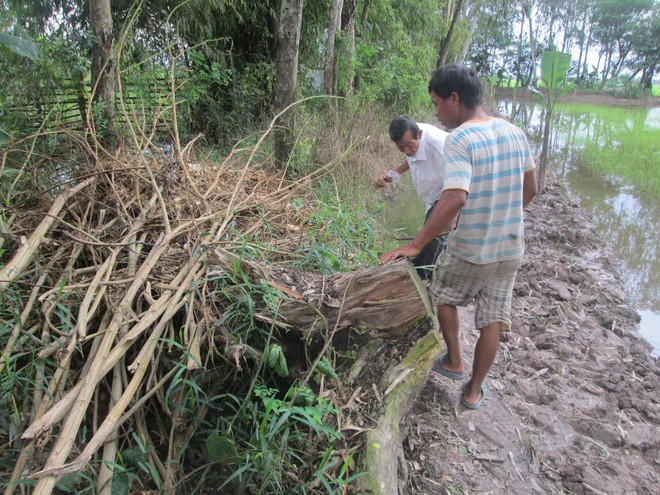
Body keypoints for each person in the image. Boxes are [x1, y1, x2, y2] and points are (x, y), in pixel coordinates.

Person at [379, 65, 538, 409]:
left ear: (454, 99)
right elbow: (531, 188)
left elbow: (454, 198)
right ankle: (473, 392)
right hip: (510, 246)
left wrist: (416, 243)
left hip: (472, 247)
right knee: (493, 318)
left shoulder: (460, 139)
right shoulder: (515, 132)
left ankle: (454, 361)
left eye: (436, 104)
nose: (435, 111)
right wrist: (506, 216)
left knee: (444, 294)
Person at [380, 115, 449, 280]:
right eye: (400, 148)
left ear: (420, 134)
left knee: (431, 237)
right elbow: (411, 159)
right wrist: (395, 173)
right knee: (433, 238)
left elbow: (464, 175)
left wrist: (452, 214)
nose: (406, 151)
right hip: (432, 197)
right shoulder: (410, 137)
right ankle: (428, 272)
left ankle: (419, 278)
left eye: (409, 146)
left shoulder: (442, 145)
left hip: (447, 194)